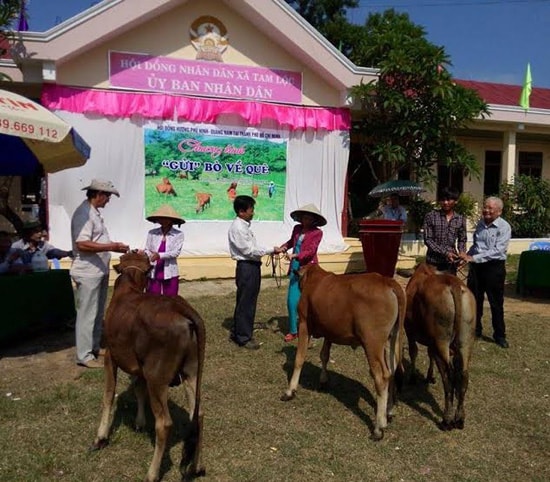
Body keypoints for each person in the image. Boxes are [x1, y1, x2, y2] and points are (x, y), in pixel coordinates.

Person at [70, 179, 129, 368]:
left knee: (96, 313)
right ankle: (84, 355)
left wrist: (113, 247)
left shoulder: (93, 213)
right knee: (87, 313)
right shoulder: (84, 214)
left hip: (97, 271)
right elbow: (82, 243)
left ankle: (93, 348)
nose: (108, 201)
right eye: (108, 196)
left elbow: (94, 240)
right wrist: (112, 246)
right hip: (88, 272)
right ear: (99, 194)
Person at [227, 195, 282, 350]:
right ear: (241, 211)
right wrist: (271, 249)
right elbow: (248, 250)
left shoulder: (244, 226)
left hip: (250, 266)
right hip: (247, 266)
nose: (253, 212)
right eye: (251, 209)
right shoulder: (238, 227)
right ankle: (243, 337)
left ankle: (240, 330)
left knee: (246, 300)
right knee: (247, 301)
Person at [459, 196, 511, 348]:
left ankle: (499, 335)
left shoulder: (504, 227)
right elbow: (476, 246)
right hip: (477, 268)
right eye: (485, 207)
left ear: (499, 211)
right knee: (475, 301)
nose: (486, 211)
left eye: (490, 208)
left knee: (496, 303)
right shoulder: (480, 225)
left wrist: (472, 258)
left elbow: (497, 251)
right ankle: (476, 330)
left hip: (494, 268)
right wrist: (466, 257)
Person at [278, 204, 325, 342]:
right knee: (292, 300)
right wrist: (283, 247)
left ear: (314, 219)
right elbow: (292, 241)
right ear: (301, 217)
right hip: (295, 268)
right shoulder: (297, 228)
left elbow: (311, 250)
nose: (306, 220)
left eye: (310, 218)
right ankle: (293, 330)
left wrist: (296, 255)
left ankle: (313, 328)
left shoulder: (317, 233)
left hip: (310, 269)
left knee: (312, 301)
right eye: (305, 217)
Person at [423, 186, 467, 274]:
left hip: (450, 263)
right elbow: (428, 240)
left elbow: (462, 239)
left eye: (449, 200)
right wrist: (446, 253)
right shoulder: (431, 216)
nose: (445, 202)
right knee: (433, 287)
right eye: (443, 200)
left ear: (456, 201)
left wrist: (462, 252)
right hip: (433, 262)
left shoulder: (460, 219)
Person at [144, 204, 185, 296]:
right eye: (161, 218)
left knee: (171, 298)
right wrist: (146, 254)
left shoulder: (178, 234)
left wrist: (159, 255)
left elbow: (176, 252)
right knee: (152, 297)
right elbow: (147, 249)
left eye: (166, 218)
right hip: (154, 268)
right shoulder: (152, 233)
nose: (163, 220)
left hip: (170, 270)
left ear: (172, 220)